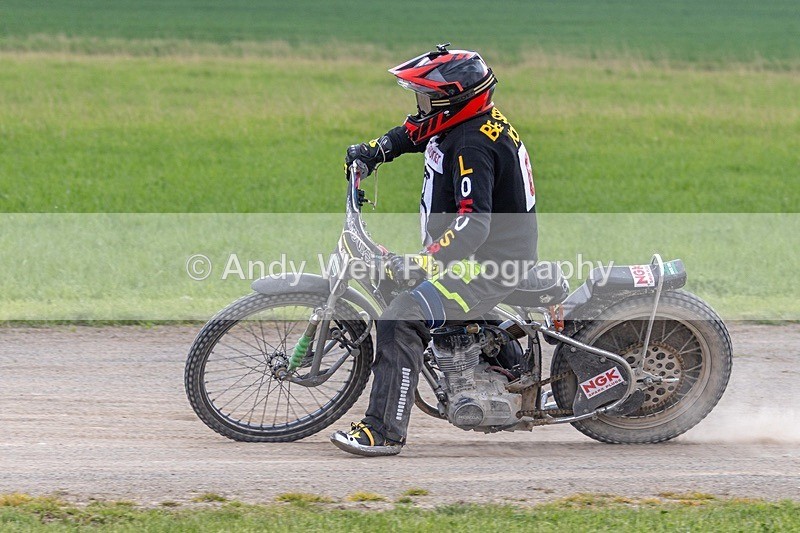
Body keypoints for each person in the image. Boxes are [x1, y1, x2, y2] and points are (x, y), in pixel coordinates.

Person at [330, 44, 538, 456]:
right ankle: (500, 362)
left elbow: (472, 225)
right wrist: (375, 151)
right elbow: (415, 132)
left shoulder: (472, 144)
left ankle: (383, 432)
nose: (420, 107)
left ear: (453, 102)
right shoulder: (464, 125)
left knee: (401, 317)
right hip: (475, 256)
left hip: (490, 265)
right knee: (415, 299)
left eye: (426, 99)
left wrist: (425, 261)